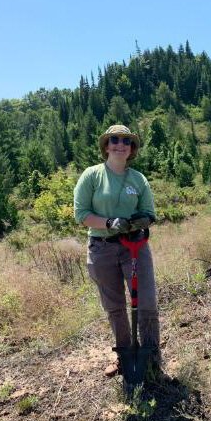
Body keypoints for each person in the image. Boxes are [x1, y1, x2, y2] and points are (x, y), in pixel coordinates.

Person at [73, 124, 161, 379]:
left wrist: (142, 221)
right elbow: (82, 215)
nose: (120, 144)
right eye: (114, 139)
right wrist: (110, 222)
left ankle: (152, 358)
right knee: (114, 307)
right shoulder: (92, 176)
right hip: (102, 248)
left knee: (146, 303)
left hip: (135, 247)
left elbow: (149, 212)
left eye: (126, 140)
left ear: (132, 148)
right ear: (106, 145)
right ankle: (125, 357)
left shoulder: (138, 179)